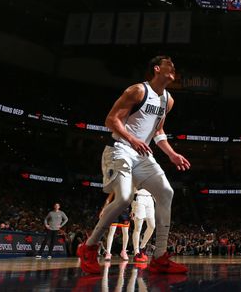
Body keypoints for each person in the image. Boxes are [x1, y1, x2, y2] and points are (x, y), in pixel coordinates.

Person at [78, 55, 191, 275]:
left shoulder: (168, 100)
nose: (174, 68)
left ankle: (159, 258)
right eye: (169, 65)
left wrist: (172, 154)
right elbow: (111, 120)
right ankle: (89, 247)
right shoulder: (137, 91)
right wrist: (132, 139)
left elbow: (158, 132)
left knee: (166, 192)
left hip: (142, 154)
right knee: (124, 198)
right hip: (120, 148)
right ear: (157, 69)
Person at [131, 188, 155, 262]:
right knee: (138, 228)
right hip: (139, 197)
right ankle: (136, 252)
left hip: (150, 198)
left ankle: (142, 247)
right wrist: (132, 207)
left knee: (152, 226)